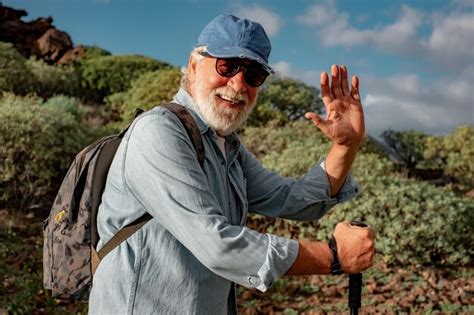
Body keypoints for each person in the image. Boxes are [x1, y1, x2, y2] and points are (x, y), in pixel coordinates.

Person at [89, 14, 375, 314]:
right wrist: (333, 256)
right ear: (195, 64)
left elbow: (292, 200)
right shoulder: (158, 131)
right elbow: (217, 244)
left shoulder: (227, 147)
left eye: (254, 74)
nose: (239, 84)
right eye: (227, 65)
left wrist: (345, 147)